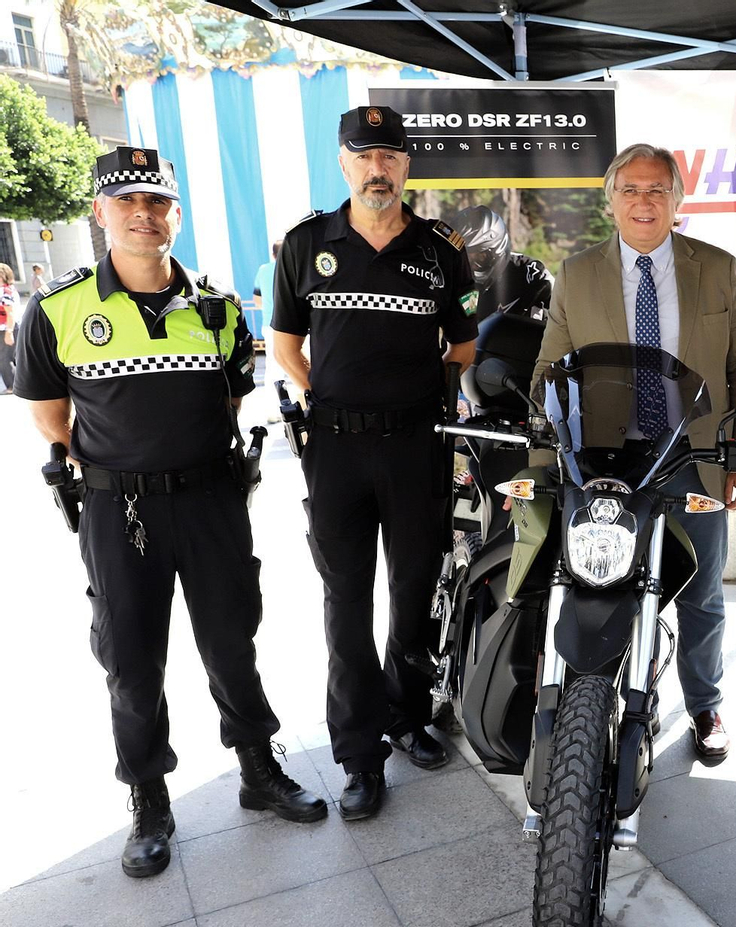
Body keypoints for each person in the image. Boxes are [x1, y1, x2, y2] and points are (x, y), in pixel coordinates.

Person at [14, 147, 326, 878]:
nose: (142, 215)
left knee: (231, 640)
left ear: (176, 214)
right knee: (130, 658)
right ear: (100, 212)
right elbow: (49, 414)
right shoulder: (58, 308)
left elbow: (228, 399)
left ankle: (257, 768)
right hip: (118, 511)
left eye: (157, 202)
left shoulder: (216, 307)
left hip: (211, 499)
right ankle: (149, 800)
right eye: (126, 202)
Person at [273, 106, 477, 820]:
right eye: (365, 155)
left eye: (390, 156)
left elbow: (463, 345)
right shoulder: (306, 244)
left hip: (418, 446)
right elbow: (284, 344)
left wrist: (420, 398)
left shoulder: (441, 250)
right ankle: (358, 754)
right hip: (335, 450)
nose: (378, 168)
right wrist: (327, 400)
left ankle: (407, 715)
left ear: (406, 167)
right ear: (343, 163)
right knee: (346, 603)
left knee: (415, 589)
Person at [536, 142, 736, 763]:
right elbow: (549, 370)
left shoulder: (717, 268)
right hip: (603, 460)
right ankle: (606, 697)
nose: (643, 201)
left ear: (677, 201)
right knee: (602, 582)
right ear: (610, 201)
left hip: (693, 455)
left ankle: (704, 704)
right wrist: (539, 465)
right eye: (630, 190)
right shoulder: (577, 274)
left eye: (657, 190)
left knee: (702, 590)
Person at [450, 205, 553, 323]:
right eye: (464, 256)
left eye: (479, 256)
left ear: (496, 251)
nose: (471, 264)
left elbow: (565, 311)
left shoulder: (531, 274)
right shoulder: (452, 278)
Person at [254, 241, 281, 384]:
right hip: (298, 325)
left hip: (270, 323)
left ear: (273, 254)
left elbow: (257, 300)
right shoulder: (296, 267)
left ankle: (277, 401)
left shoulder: (263, 270)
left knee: (273, 366)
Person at [0, 263, 17, 393]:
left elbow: (10, 312)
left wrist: (9, 332)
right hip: (5, 328)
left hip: (6, 328)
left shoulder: (6, 291)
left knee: (5, 358)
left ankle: (12, 386)